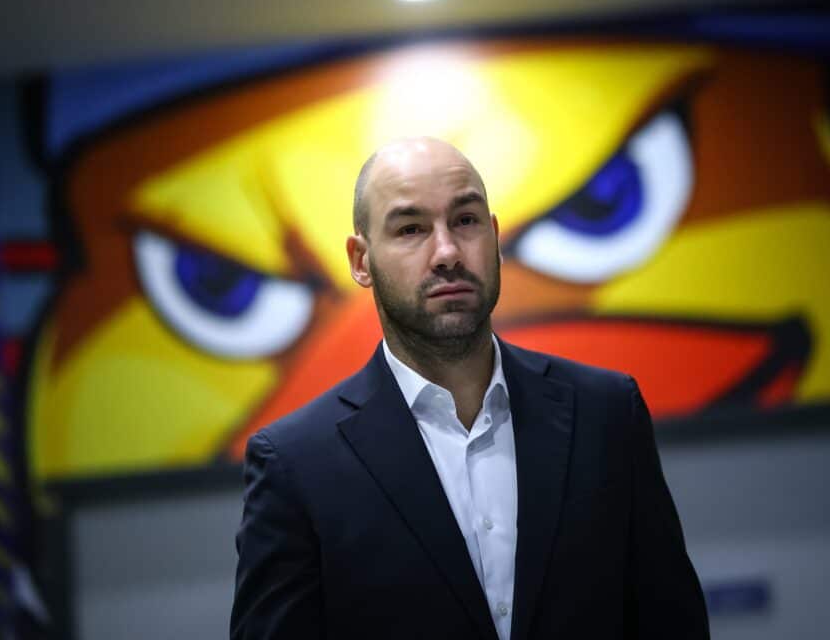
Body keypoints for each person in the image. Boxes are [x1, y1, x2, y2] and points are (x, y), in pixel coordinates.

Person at [230, 137, 709, 640]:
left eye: (465, 220)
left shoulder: (606, 414)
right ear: (361, 261)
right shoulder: (295, 463)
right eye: (411, 229)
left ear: (494, 236)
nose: (447, 253)